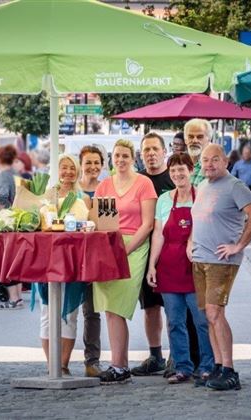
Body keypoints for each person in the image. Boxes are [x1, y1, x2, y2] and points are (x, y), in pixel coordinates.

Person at [191, 144, 251, 391]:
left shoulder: (235, 186)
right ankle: (219, 367)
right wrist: (191, 242)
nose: (209, 164)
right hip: (201, 259)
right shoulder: (202, 186)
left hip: (221, 261)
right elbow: (198, 218)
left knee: (214, 313)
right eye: (205, 160)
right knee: (208, 315)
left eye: (215, 160)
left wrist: (239, 246)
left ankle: (230, 371)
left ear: (225, 162)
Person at [146, 153, 214, 385]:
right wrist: (151, 266)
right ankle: (183, 367)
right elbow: (157, 234)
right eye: (173, 170)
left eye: (181, 169)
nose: (177, 174)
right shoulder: (164, 199)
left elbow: (206, 226)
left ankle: (207, 366)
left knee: (201, 320)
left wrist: (192, 240)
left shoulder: (201, 196)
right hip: (169, 266)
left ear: (190, 170)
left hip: (195, 265)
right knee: (175, 322)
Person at [93, 139, 157, 384]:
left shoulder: (144, 183)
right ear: (112, 158)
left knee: (119, 305)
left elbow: (148, 224)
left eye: (125, 156)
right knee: (110, 308)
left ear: (133, 158)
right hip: (108, 244)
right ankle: (119, 365)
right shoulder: (105, 185)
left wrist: (126, 248)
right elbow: (102, 220)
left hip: (135, 246)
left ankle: (119, 364)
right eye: (117, 156)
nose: (120, 160)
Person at [32, 155, 89, 375]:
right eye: (63, 167)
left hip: (73, 262)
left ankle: (63, 364)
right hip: (47, 263)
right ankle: (51, 364)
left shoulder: (82, 198)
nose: (68, 172)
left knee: (70, 313)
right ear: (57, 170)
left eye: (72, 168)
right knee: (47, 313)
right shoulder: (46, 197)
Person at [131, 133, 176, 377]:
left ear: (164, 151)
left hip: (171, 253)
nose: (150, 154)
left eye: (154, 149)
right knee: (150, 307)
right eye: (146, 150)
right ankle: (156, 355)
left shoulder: (174, 177)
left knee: (173, 306)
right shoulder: (139, 181)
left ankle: (176, 356)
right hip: (144, 252)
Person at [77, 145, 105, 376]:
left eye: (97, 163)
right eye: (88, 162)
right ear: (81, 164)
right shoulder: (71, 190)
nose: (93, 167)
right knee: (65, 312)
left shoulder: (106, 189)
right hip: (73, 255)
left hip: (96, 256)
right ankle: (60, 360)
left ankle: (91, 361)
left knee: (92, 311)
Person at [0, 145, 23, 309]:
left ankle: (13, 298)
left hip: (6, 225)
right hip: (16, 224)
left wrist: (0, 219)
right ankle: (17, 297)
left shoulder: (4, 176)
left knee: (4, 262)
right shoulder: (16, 175)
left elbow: (3, 196)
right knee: (13, 262)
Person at [184, 118, 213, 186]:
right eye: (191, 136)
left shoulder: (214, 167)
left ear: (209, 139)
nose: (195, 140)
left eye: (200, 137)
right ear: (185, 140)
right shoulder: (180, 162)